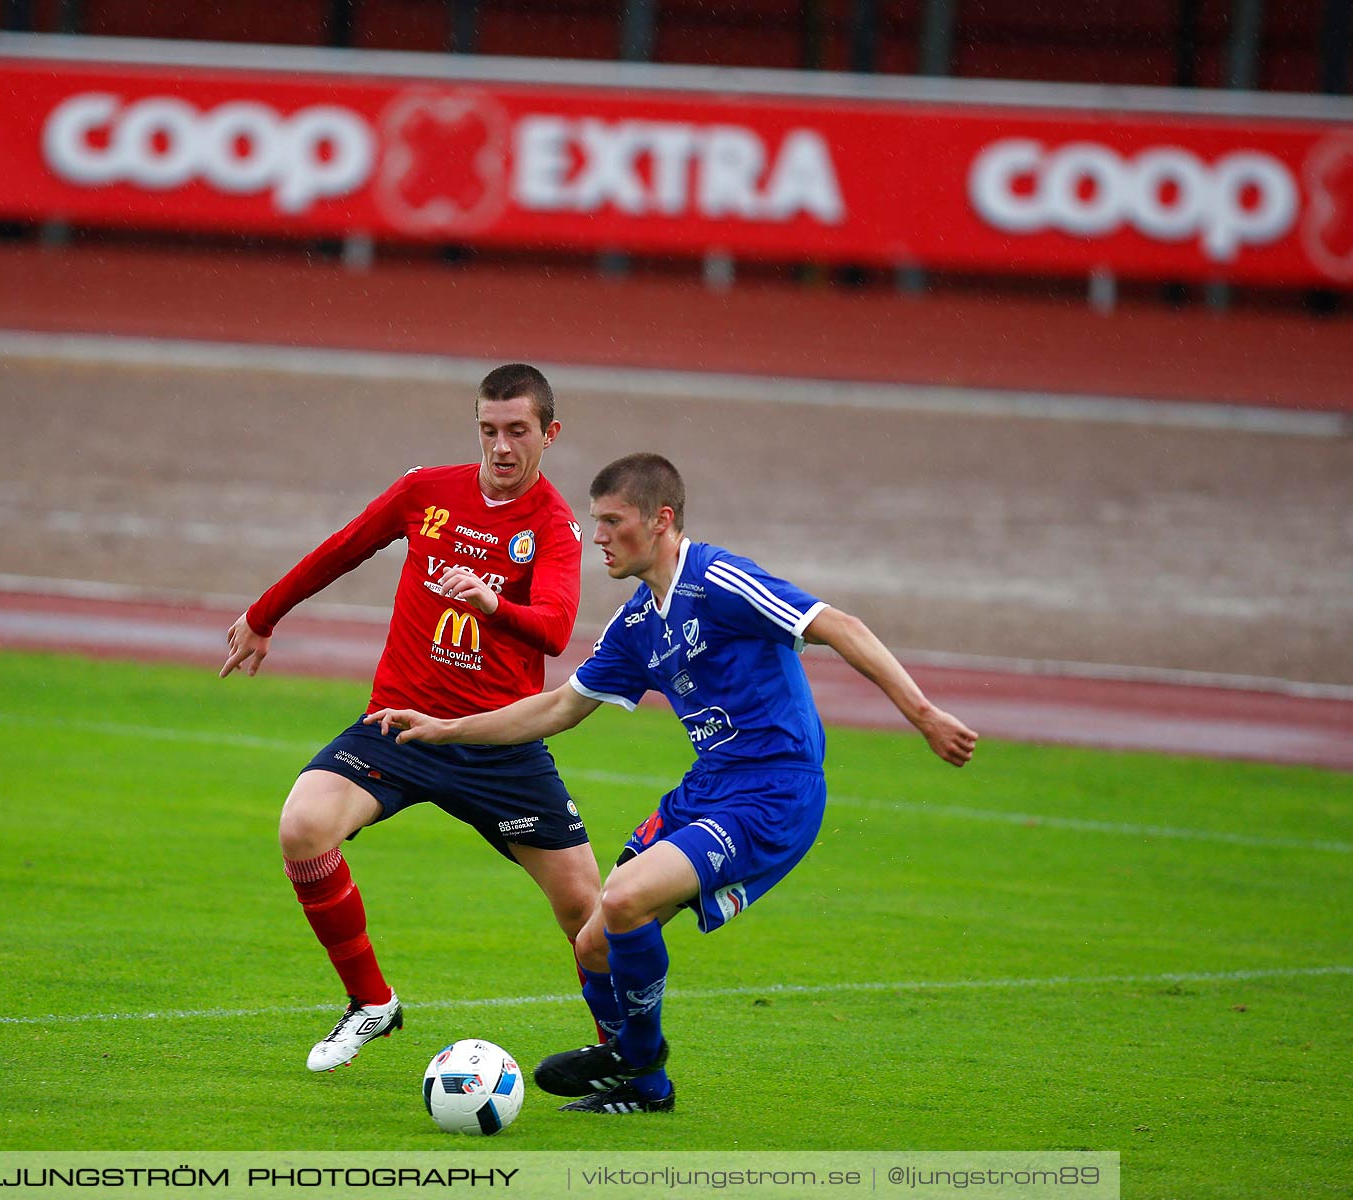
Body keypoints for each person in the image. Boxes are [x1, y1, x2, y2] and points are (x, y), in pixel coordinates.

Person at [367, 452, 978, 1113]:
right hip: (709, 786)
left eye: (611, 520)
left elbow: (839, 626)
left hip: (774, 793)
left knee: (625, 897)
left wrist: (923, 714)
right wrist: (444, 728)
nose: (596, 535)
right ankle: (648, 1090)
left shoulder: (720, 580)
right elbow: (558, 708)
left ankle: (635, 1053)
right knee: (594, 939)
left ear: (661, 521)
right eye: (594, 521)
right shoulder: (634, 624)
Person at [221, 363, 602, 1073]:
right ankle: (371, 1003)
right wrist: (263, 614)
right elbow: (344, 547)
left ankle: (625, 1058)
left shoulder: (554, 526)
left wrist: (493, 606)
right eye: (489, 430)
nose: (502, 448)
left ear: (549, 434)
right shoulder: (427, 492)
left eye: (518, 431)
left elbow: (554, 628)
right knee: (303, 826)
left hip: (498, 744)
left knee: (589, 912)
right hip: (399, 725)